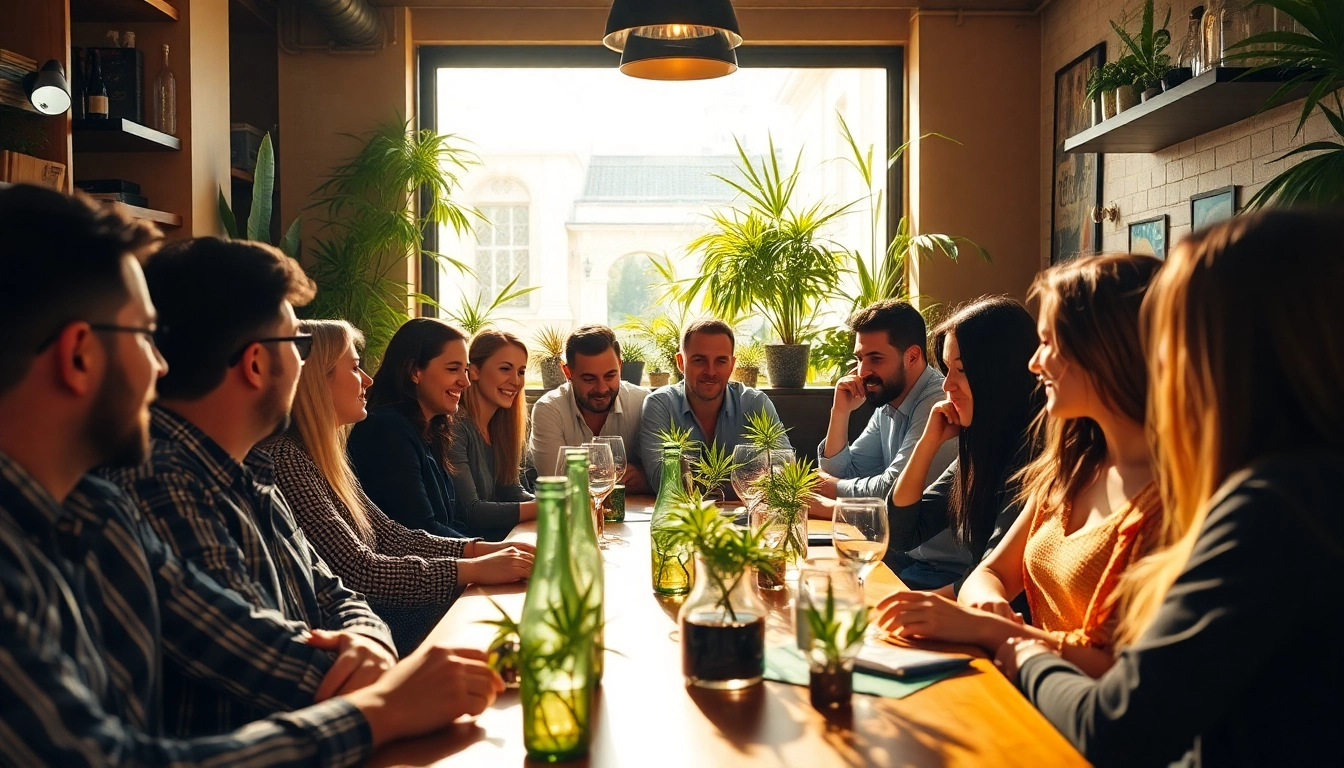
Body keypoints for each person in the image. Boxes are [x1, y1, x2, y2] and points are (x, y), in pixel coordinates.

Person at [0, 185, 502, 765]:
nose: (159, 364)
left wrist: (370, 662)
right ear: (79, 355)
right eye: (143, 336)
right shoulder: (142, 492)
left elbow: (320, 600)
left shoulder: (100, 508)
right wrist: (379, 708)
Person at [998, 209, 1343, 767]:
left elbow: (1117, 726)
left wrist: (1018, 651)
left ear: (1225, 350)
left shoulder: (1273, 507)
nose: (1157, 360)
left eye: (1170, 335)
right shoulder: (1304, 485)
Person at [99, 236, 404, 736]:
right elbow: (280, 662)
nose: (304, 365)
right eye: (299, 345)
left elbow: (337, 590)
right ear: (257, 362)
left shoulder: (251, 472)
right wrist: (383, 677)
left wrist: (370, 641)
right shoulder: (162, 483)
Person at [878, 255, 1164, 678]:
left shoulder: (1052, 460)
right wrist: (928, 441)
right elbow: (923, 542)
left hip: (1040, 683)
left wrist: (981, 625)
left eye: (1050, 343)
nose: (1035, 363)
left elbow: (1119, 671)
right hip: (1028, 675)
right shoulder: (1065, 465)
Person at [261, 320, 535, 654]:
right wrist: (474, 567)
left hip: (380, 611)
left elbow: (390, 535)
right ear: (318, 378)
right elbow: (359, 570)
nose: (367, 380)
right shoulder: (287, 458)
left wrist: (483, 551)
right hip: (371, 623)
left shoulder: (320, 454)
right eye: (355, 367)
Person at [882, 297, 1044, 592]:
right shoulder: (983, 445)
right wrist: (928, 442)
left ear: (999, 374)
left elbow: (997, 577)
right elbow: (899, 534)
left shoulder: (1036, 456)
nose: (946, 386)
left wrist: (923, 603)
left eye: (962, 370)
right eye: (946, 369)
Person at [814, 299, 959, 508]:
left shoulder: (937, 400)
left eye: (876, 359)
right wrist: (840, 412)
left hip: (927, 541)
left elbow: (892, 490)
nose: (862, 372)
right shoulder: (888, 402)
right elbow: (846, 474)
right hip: (893, 539)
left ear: (912, 357)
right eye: (860, 359)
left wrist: (829, 488)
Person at [348, 318, 470, 538]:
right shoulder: (386, 429)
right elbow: (418, 531)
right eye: (453, 369)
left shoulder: (428, 427)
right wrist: (490, 552)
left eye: (466, 370)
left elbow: (450, 523)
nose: (465, 381)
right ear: (414, 371)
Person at [637, 319, 791, 487]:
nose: (710, 371)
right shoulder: (661, 405)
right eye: (699, 360)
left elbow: (784, 467)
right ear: (681, 362)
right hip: (683, 513)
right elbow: (663, 480)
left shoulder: (754, 403)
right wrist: (746, 480)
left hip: (745, 512)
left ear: (732, 365)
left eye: (721, 361)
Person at [529, 324, 650, 492]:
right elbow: (557, 484)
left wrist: (644, 477)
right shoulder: (549, 410)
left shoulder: (643, 403)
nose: (601, 389)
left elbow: (666, 475)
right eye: (589, 379)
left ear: (620, 367)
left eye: (610, 376)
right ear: (567, 372)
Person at [447, 329, 537, 539]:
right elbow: (471, 512)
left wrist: (550, 502)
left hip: (502, 542)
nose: (516, 381)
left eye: (521, 372)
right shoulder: (456, 426)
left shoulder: (502, 426)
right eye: (505, 369)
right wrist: (549, 507)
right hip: (470, 552)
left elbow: (510, 490)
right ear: (474, 371)